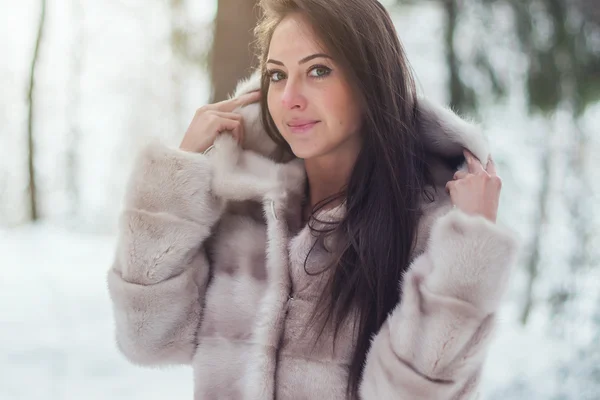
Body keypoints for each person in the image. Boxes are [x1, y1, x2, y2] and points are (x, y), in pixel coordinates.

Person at [106, 0, 519, 398]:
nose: (289, 99)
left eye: (318, 70)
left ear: (369, 78)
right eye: (277, 75)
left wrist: (468, 253)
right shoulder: (241, 204)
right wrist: (177, 180)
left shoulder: (426, 226)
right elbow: (147, 338)